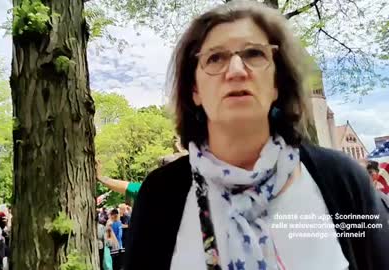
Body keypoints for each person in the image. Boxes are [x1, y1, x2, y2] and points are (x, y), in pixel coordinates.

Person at [125, 1, 389, 270]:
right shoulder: (161, 196)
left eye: (254, 54)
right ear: (194, 89)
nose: (237, 70)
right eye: (215, 58)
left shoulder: (341, 181)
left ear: (276, 82)